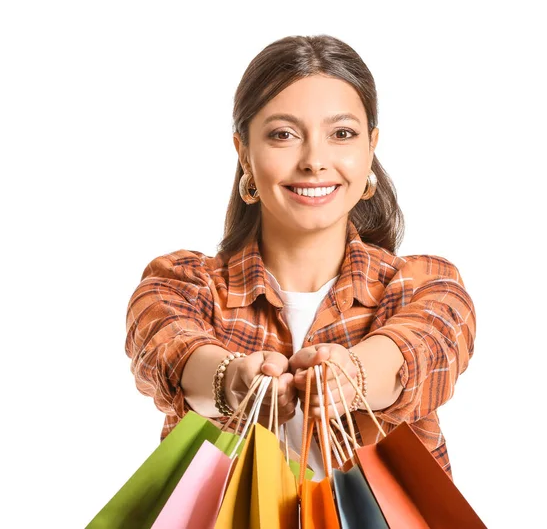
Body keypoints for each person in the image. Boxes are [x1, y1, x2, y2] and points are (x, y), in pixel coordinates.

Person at [125, 34, 477, 481]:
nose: (314, 160)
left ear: (370, 146)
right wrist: (233, 382)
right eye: (283, 135)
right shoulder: (184, 284)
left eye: (342, 134)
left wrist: (352, 377)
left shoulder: (425, 285)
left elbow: (427, 348)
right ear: (244, 153)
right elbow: (166, 349)